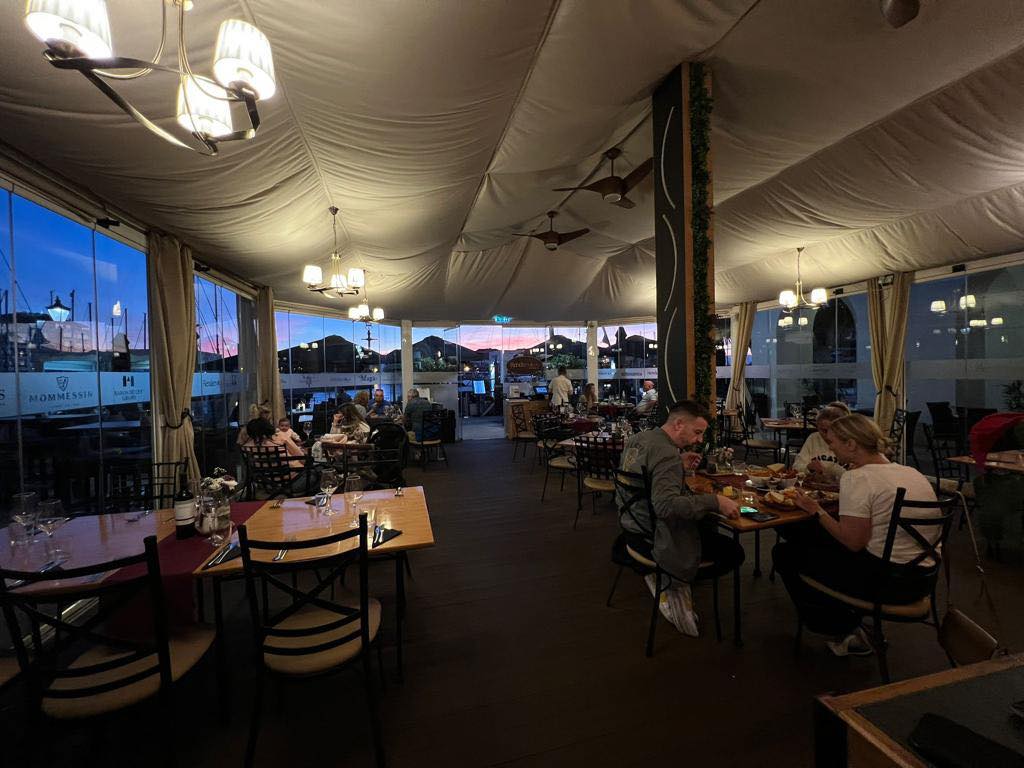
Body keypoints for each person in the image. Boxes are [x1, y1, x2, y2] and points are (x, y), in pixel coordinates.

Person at [772, 413, 940, 657]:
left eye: (833, 443)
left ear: (851, 444)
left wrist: (815, 509)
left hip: (887, 582)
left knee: (785, 553)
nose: (830, 448)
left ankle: (841, 630)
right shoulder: (912, 473)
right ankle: (844, 617)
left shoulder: (858, 477)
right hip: (923, 579)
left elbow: (853, 542)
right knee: (807, 538)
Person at [617, 399, 743, 636]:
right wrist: (715, 501)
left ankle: (664, 580)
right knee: (734, 552)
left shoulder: (639, 439)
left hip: (632, 531)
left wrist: (678, 466)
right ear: (678, 424)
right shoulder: (667, 454)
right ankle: (673, 583)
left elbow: (643, 481)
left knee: (704, 525)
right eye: (697, 432)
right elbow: (666, 507)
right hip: (655, 540)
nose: (699, 440)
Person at [792, 401, 850, 479]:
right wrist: (808, 467)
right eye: (824, 430)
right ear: (818, 427)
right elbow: (796, 467)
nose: (828, 435)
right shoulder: (814, 438)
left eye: (833, 430)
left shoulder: (851, 442)